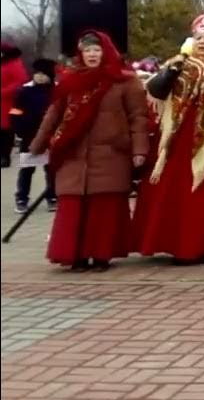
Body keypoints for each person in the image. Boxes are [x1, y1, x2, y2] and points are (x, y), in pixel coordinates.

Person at [28, 31, 148, 270]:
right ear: (80, 54)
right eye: (87, 50)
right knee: (73, 204)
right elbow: (54, 115)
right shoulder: (71, 81)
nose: (92, 55)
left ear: (106, 52)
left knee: (103, 206)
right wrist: (38, 145)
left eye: (97, 50)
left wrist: (139, 150)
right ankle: (75, 256)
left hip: (111, 154)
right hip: (73, 154)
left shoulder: (124, 81)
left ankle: (101, 255)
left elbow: (138, 118)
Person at [134, 13, 204, 264]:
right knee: (172, 189)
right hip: (177, 135)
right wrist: (168, 73)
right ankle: (168, 241)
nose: (202, 42)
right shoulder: (179, 63)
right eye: (198, 38)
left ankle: (201, 245)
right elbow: (156, 92)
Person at [11, 58, 57, 213]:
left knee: (51, 169)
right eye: (37, 73)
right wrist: (19, 127)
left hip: (51, 137)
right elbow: (15, 112)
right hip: (29, 135)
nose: (40, 77)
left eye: (43, 74)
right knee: (27, 169)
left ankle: (52, 196)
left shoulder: (56, 92)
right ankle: (22, 198)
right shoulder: (24, 91)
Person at [1, 41, 28, 168]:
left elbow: (20, 82)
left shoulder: (14, 64)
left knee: (6, 131)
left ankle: (4, 157)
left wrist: (3, 92)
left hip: (8, 103)